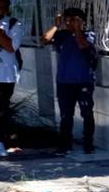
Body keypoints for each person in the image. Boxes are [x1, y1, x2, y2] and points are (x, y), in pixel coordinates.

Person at [41, 8, 99, 155]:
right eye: (67, 20)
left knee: (87, 112)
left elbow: (82, 45)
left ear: (81, 21)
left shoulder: (89, 34)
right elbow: (44, 40)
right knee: (66, 115)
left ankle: (88, 144)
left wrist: (78, 29)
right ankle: (65, 144)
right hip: (64, 81)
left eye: (73, 19)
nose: (69, 23)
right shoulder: (61, 35)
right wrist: (56, 26)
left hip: (83, 81)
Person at [0, 0, 24, 158]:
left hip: (3, 76)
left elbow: (10, 47)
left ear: (7, 9)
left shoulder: (14, 24)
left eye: (0, 7)